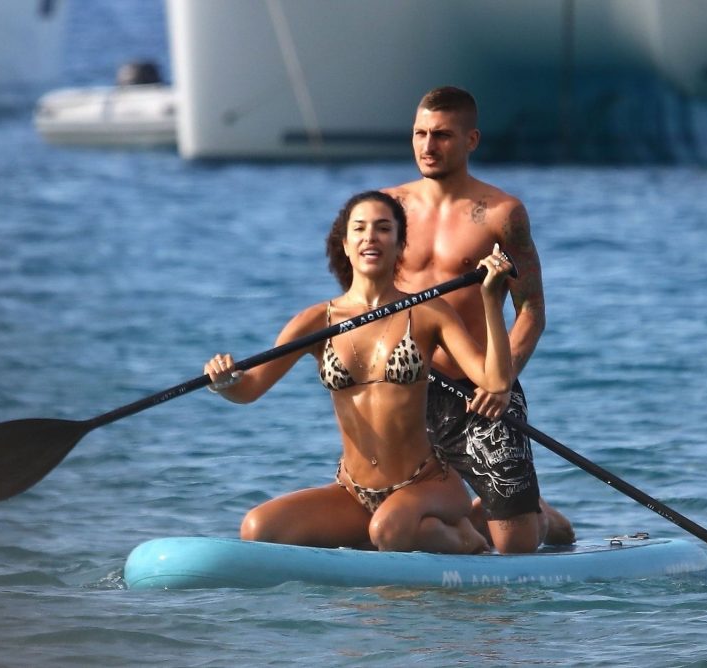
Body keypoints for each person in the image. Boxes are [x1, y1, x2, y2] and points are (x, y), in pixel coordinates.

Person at [204, 190, 516, 554]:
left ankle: (470, 537)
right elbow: (249, 389)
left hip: (427, 483)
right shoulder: (316, 322)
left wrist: (490, 299)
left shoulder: (429, 312)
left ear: (400, 245)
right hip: (354, 492)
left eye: (383, 228)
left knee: (389, 529)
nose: (371, 237)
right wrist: (224, 382)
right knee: (258, 528)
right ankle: (397, 533)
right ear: (346, 245)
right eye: (360, 228)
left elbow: (494, 381)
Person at [383, 86, 575, 553]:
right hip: (407, 387)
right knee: (390, 525)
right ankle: (467, 518)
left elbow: (532, 310)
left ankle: (541, 516)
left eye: (443, 135)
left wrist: (501, 382)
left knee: (516, 549)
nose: (428, 146)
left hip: (479, 390)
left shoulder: (502, 214)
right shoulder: (387, 209)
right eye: (420, 134)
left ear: (471, 140)